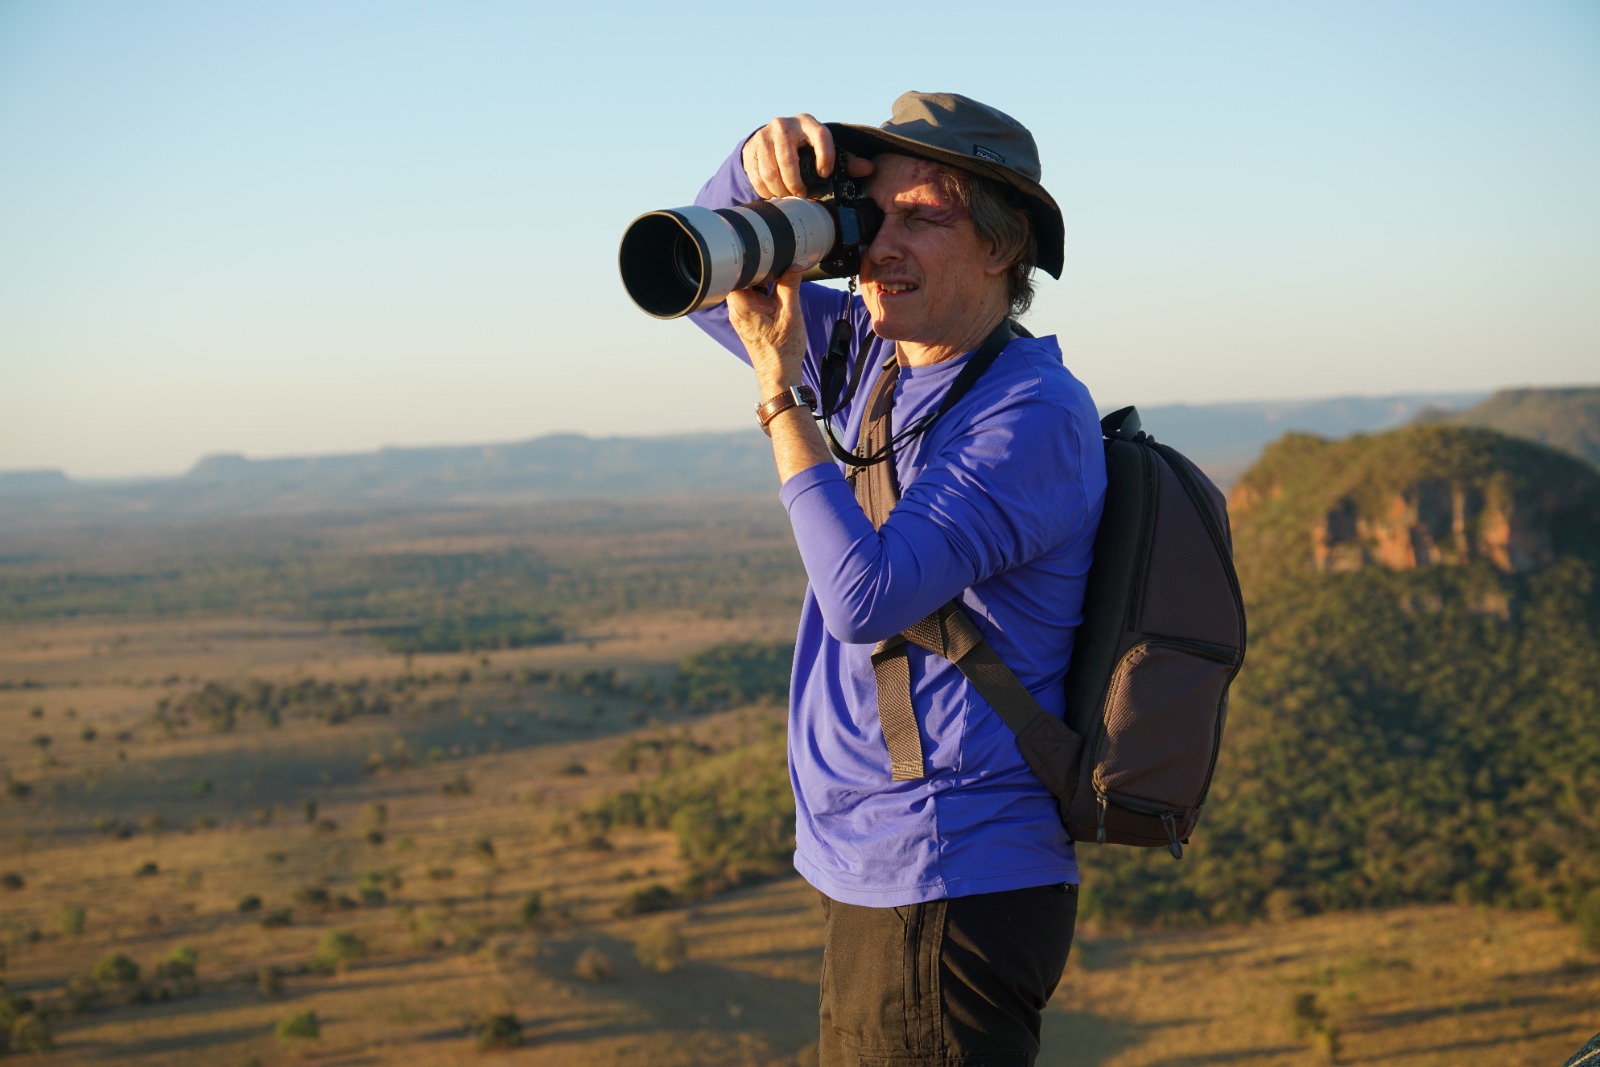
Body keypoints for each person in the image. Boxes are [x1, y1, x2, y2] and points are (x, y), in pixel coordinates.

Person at [687, 92, 1107, 1066]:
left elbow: (865, 597)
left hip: (946, 883)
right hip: (882, 872)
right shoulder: (879, 358)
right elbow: (710, 282)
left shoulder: (1030, 413)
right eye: (874, 218)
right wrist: (754, 171)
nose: (882, 246)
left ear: (1003, 248)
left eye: (923, 217)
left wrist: (780, 396)